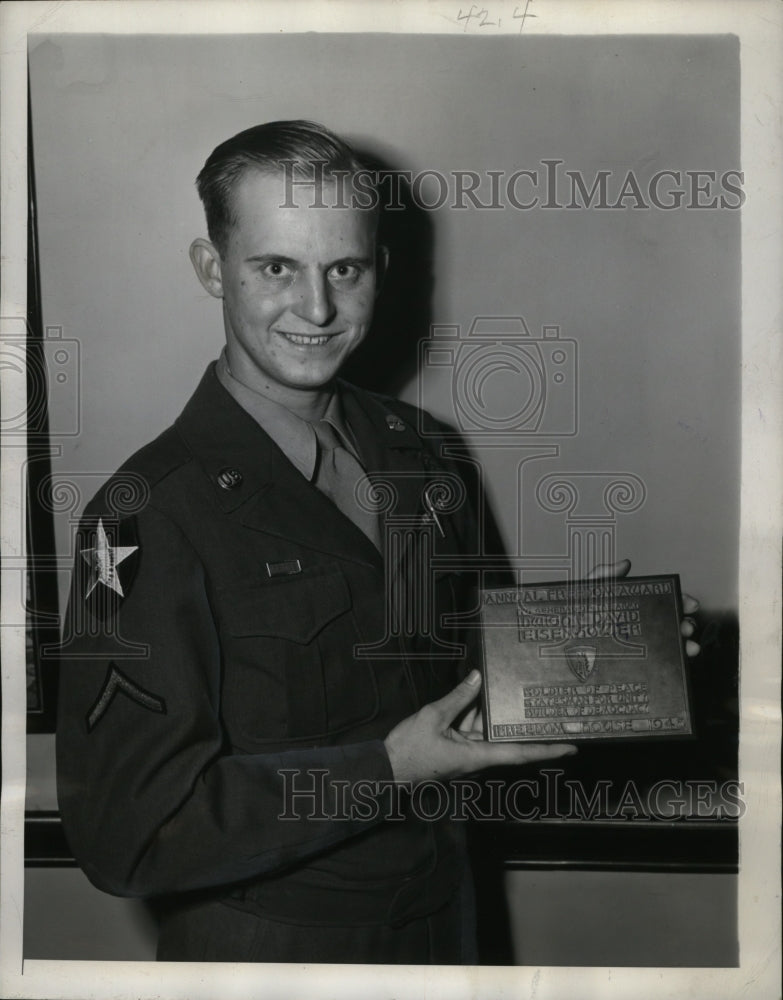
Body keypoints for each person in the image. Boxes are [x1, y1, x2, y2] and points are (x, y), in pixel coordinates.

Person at [56, 121, 698, 965]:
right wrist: (389, 768)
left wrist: (590, 644)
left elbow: (457, 686)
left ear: (380, 271)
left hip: (448, 922)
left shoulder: (424, 451)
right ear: (213, 269)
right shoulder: (145, 514)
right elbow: (128, 834)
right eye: (276, 267)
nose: (316, 309)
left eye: (344, 269)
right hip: (272, 955)